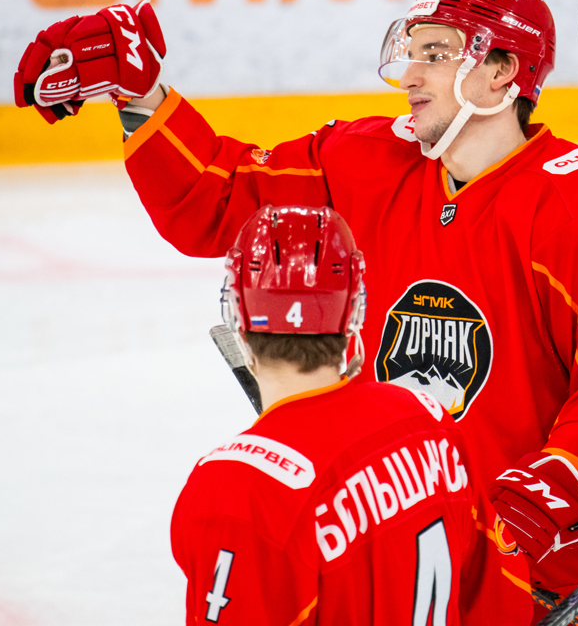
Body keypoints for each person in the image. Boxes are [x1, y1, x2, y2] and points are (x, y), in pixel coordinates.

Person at [13, 0, 578, 625]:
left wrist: (538, 503)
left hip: (552, 579)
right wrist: (141, 95)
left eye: (436, 54)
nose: (410, 75)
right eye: (410, 52)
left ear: (502, 72)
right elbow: (217, 198)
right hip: (395, 566)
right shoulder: (367, 159)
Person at [171, 203, 532, 625]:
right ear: (353, 312)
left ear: (237, 316)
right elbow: (501, 602)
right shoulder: (426, 421)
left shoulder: (238, 491)